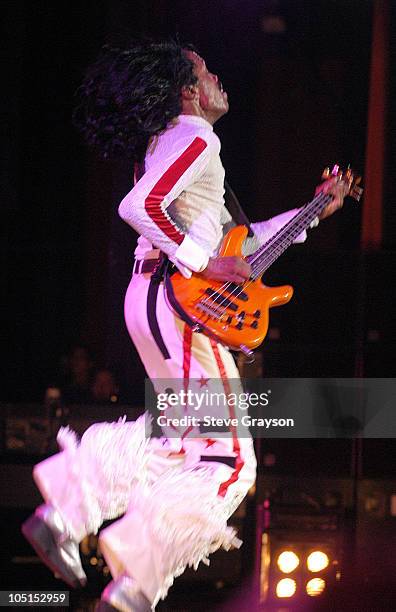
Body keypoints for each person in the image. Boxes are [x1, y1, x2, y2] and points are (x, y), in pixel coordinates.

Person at [22, 41, 347, 611]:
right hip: (179, 303)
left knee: (179, 442)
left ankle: (72, 517)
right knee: (229, 462)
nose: (219, 78)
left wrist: (310, 214)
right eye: (206, 72)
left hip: (157, 296)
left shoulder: (173, 141)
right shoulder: (196, 135)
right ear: (189, 90)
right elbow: (139, 208)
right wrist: (203, 263)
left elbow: (235, 245)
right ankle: (133, 573)